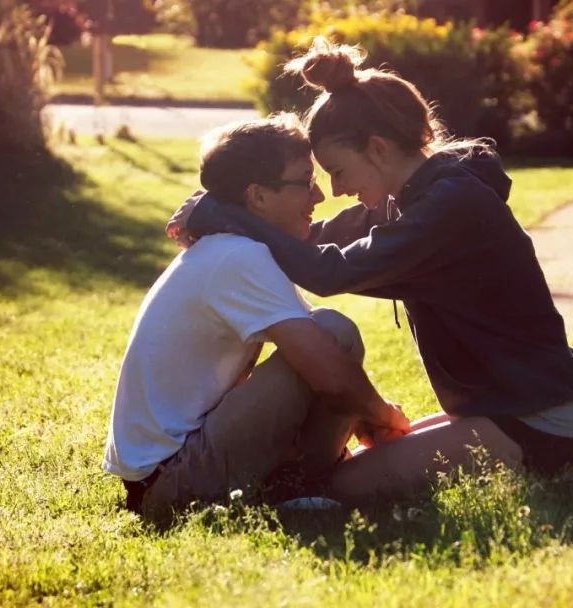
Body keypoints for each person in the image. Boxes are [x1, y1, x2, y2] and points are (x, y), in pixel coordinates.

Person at [170, 38, 573, 503]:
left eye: (337, 170)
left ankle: (544, 460)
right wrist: (240, 209)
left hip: (540, 416)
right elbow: (311, 240)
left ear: (376, 149)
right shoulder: (414, 198)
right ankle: (543, 464)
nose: (335, 190)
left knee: (345, 485)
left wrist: (226, 216)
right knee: (373, 455)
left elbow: (329, 272)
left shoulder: (450, 205)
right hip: (502, 408)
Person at [103, 114, 409, 518]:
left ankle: (302, 478)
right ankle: (302, 485)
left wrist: (367, 417)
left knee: (327, 334)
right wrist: (385, 417)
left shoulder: (233, 249)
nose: (318, 197)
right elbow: (328, 371)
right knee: (335, 334)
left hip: (166, 471)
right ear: (258, 197)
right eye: (306, 182)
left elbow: (318, 363)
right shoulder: (238, 256)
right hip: (170, 483)